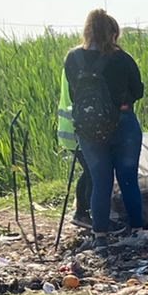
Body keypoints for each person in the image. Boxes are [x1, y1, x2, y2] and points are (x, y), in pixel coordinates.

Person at [64, 9, 146, 246]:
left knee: (100, 181)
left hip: (88, 127)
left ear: (87, 30)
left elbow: (73, 92)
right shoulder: (121, 58)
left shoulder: (72, 58)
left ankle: (99, 234)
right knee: (128, 178)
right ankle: (137, 230)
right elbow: (138, 90)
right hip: (123, 123)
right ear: (112, 33)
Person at [55, 76, 91, 227]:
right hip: (76, 130)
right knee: (92, 171)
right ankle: (82, 213)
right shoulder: (79, 63)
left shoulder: (73, 62)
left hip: (70, 128)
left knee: (90, 171)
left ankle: (84, 211)